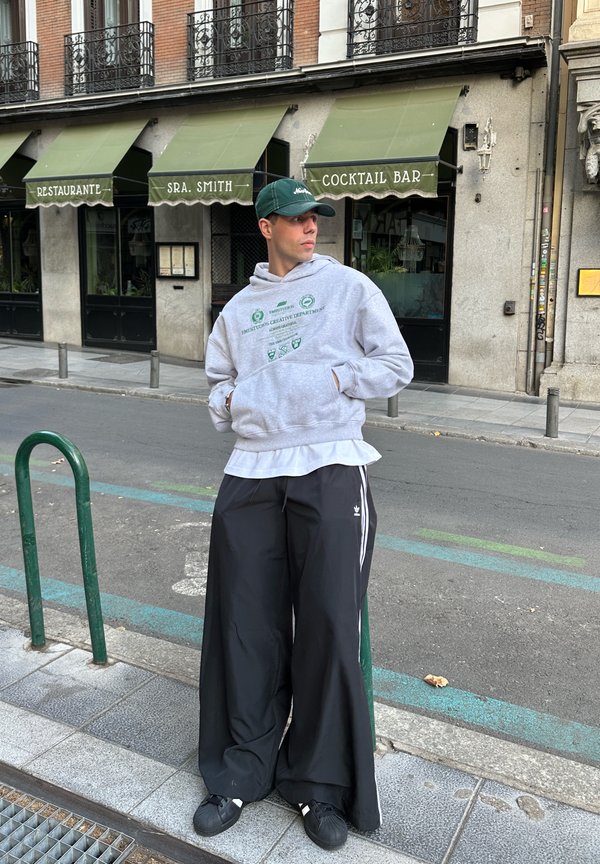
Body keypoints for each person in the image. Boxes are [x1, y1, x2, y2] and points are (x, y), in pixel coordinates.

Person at [194, 177, 413, 851]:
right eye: (294, 219)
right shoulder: (237, 311)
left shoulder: (349, 289)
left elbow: (395, 365)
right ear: (266, 227)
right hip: (251, 473)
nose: (310, 226)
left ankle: (318, 786)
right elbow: (216, 391)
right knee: (245, 627)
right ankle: (241, 768)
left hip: (330, 464)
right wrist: (237, 403)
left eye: (314, 216)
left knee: (325, 626)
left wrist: (335, 379)